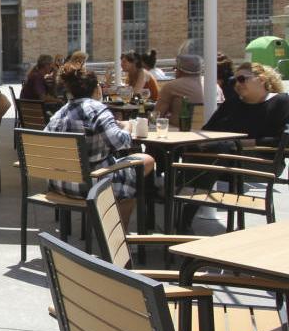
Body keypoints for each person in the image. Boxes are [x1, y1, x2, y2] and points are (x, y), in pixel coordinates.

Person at [44, 67, 155, 228]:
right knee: (146, 161)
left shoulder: (58, 114)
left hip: (58, 184)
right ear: (97, 89)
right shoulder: (97, 109)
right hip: (89, 184)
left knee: (123, 167)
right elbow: (121, 143)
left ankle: (108, 229)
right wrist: (128, 126)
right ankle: (118, 239)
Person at [203, 62, 289, 144]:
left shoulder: (281, 102)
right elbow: (207, 131)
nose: (237, 84)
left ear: (262, 79)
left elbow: (284, 141)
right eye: (233, 81)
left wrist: (242, 144)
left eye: (241, 79)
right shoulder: (231, 103)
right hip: (223, 155)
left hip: (258, 157)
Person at [153, 54, 223, 121]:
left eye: (175, 69)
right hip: (212, 130)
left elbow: (157, 115)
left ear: (179, 70)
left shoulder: (171, 86)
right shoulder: (214, 85)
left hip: (181, 130)